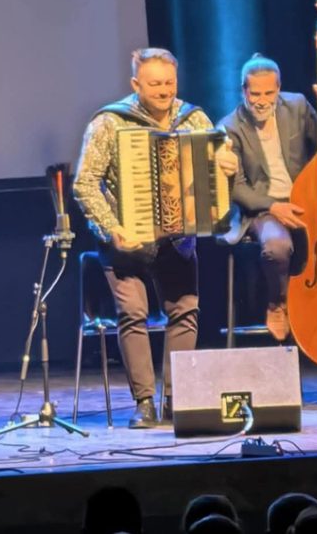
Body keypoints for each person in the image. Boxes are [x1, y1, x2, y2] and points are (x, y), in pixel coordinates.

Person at [73, 47, 237, 428]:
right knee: (133, 313)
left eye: (169, 82)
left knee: (186, 312)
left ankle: (176, 399)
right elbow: (85, 183)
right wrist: (111, 228)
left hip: (178, 239)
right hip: (125, 239)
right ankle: (144, 402)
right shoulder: (110, 122)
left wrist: (230, 168)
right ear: (136, 84)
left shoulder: (194, 119)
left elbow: (218, 177)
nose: (164, 91)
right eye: (155, 84)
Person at [217, 53, 317, 400]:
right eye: (254, 94)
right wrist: (273, 206)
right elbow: (236, 188)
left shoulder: (296, 106)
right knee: (278, 247)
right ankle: (279, 303)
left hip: (307, 203)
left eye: (268, 94)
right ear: (243, 92)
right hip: (263, 210)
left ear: (278, 89)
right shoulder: (228, 127)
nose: (262, 101)